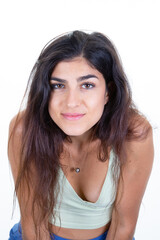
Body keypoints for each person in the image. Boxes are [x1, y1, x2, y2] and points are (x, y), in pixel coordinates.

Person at [8, 30, 154, 240]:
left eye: (87, 85)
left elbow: (123, 226)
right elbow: (33, 221)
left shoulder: (133, 133)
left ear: (108, 92)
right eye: (58, 86)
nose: (71, 102)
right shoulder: (24, 128)